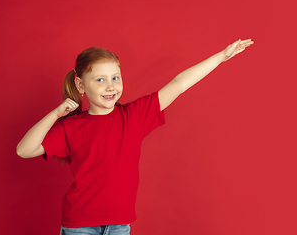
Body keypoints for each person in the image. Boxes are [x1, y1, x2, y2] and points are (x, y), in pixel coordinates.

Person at [16, 39, 253, 235]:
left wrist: (220, 57)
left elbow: (178, 84)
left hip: (120, 225)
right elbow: (24, 150)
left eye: (115, 78)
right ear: (80, 85)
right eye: (100, 80)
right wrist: (56, 114)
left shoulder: (134, 116)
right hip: (79, 225)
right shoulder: (70, 127)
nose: (110, 86)